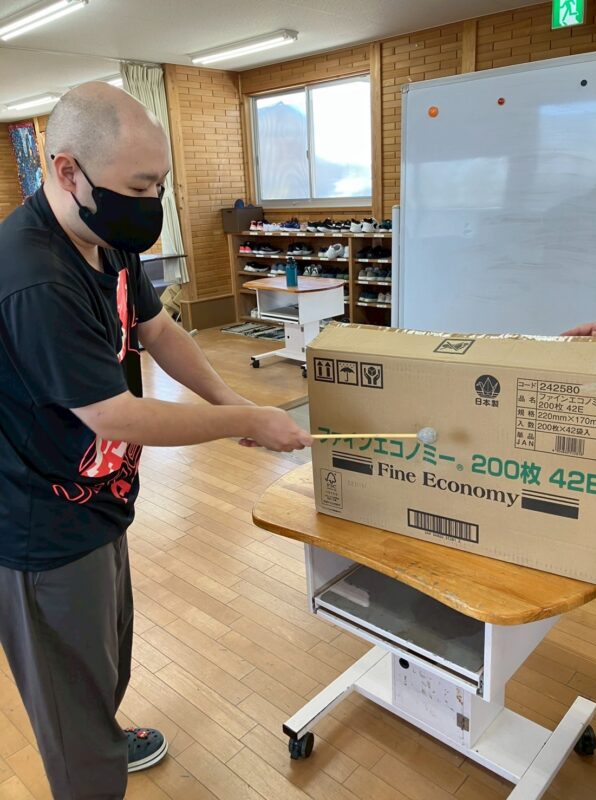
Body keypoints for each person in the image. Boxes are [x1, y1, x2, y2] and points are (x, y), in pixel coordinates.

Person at [0, 81, 312, 800]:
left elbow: (158, 330)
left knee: (102, 660)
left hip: (96, 500)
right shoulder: (33, 277)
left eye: (159, 185)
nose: (152, 203)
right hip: (39, 524)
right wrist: (246, 422)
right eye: (139, 187)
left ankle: (101, 738)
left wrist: (232, 398)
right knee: (69, 696)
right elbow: (116, 417)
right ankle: (91, 766)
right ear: (68, 171)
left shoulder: (106, 240)